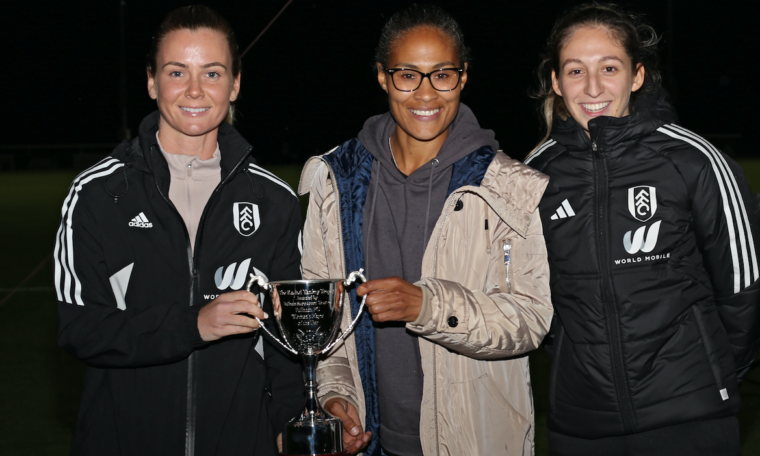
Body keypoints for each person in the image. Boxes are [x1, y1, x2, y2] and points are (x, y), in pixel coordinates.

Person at [299, 5, 553, 456]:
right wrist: (336, 396)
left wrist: (428, 305)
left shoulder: (505, 187)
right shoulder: (336, 181)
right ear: (382, 77)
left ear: (463, 76)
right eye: (407, 75)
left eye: (442, 74)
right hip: (371, 442)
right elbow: (327, 318)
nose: (425, 93)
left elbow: (530, 320)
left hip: (473, 442)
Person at [54, 6, 304, 455]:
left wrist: (290, 425)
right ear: (152, 82)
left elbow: (286, 343)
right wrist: (193, 324)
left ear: (235, 83)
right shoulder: (97, 194)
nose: (194, 90)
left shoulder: (276, 202)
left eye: (212, 72)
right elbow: (81, 329)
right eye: (176, 72)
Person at [525, 3, 760, 455]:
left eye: (609, 68)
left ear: (637, 75)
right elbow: (536, 304)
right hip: (582, 426)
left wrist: (710, 377)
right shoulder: (535, 176)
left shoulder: (694, 160)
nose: (593, 87)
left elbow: (743, 289)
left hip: (689, 419)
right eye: (575, 71)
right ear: (555, 81)